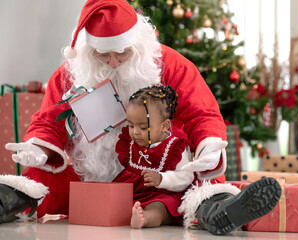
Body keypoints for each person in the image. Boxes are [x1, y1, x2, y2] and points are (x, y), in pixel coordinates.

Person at [0, 0, 281, 235]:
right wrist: (37, 148)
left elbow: (201, 113)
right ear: (87, 51)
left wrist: (208, 147)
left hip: (154, 175)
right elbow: (49, 121)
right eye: (103, 55)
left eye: (122, 52)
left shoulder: (170, 66)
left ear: (138, 42)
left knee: (200, 180)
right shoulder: (70, 74)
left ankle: (217, 210)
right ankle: (7, 201)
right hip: (92, 184)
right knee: (39, 177)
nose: (113, 61)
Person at [114, 85, 194, 228]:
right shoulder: (131, 143)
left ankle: (145, 219)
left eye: (143, 127)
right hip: (132, 192)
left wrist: (162, 179)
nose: (135, 132)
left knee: (159, 208)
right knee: (113, 200)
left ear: (164, 126)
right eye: (131, 126)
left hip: (160, 194)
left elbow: (187, 176)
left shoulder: (174, 147)